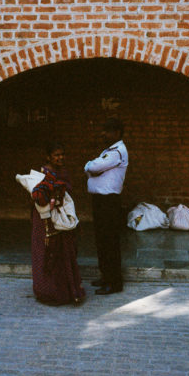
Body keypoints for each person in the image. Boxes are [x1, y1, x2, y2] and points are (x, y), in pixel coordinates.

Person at [29, 142, 86, 306]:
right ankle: (49, 291)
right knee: (48, 252)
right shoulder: (41, 174)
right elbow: (37, 195)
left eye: (62, 154)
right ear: (48, 157)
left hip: (61, 217)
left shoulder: (63, 172)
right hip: (45, 219)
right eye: (56, 155)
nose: (60, 158)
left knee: (64, 252)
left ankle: (67, 291)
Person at [84, 118, 128, 295]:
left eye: (107, 131)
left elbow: (94, 167)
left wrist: (89, 165)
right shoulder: (109, 150)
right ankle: (105, 276)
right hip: (101, 202)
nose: (103, 134)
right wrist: (91, 167)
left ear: (116, 133)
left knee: (109, 242)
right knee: (102, 241)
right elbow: (94, 168)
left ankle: (114, 282)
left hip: (109, 202)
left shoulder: (117, 151)